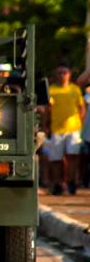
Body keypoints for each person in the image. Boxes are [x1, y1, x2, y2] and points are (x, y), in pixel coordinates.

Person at [45, 62, 85, 195]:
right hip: (56, 129)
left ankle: (72, 182)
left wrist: (82, 124)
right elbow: (47, 110)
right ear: (55, 75)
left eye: (65, 72)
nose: (62, 75)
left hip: (74, 129)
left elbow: (81, 108)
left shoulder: (75, 89)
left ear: (69, 74)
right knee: (56, 159)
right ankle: (57, 184)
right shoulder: (51, 90)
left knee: (72, 157)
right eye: (59, 72)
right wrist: (46, 126)